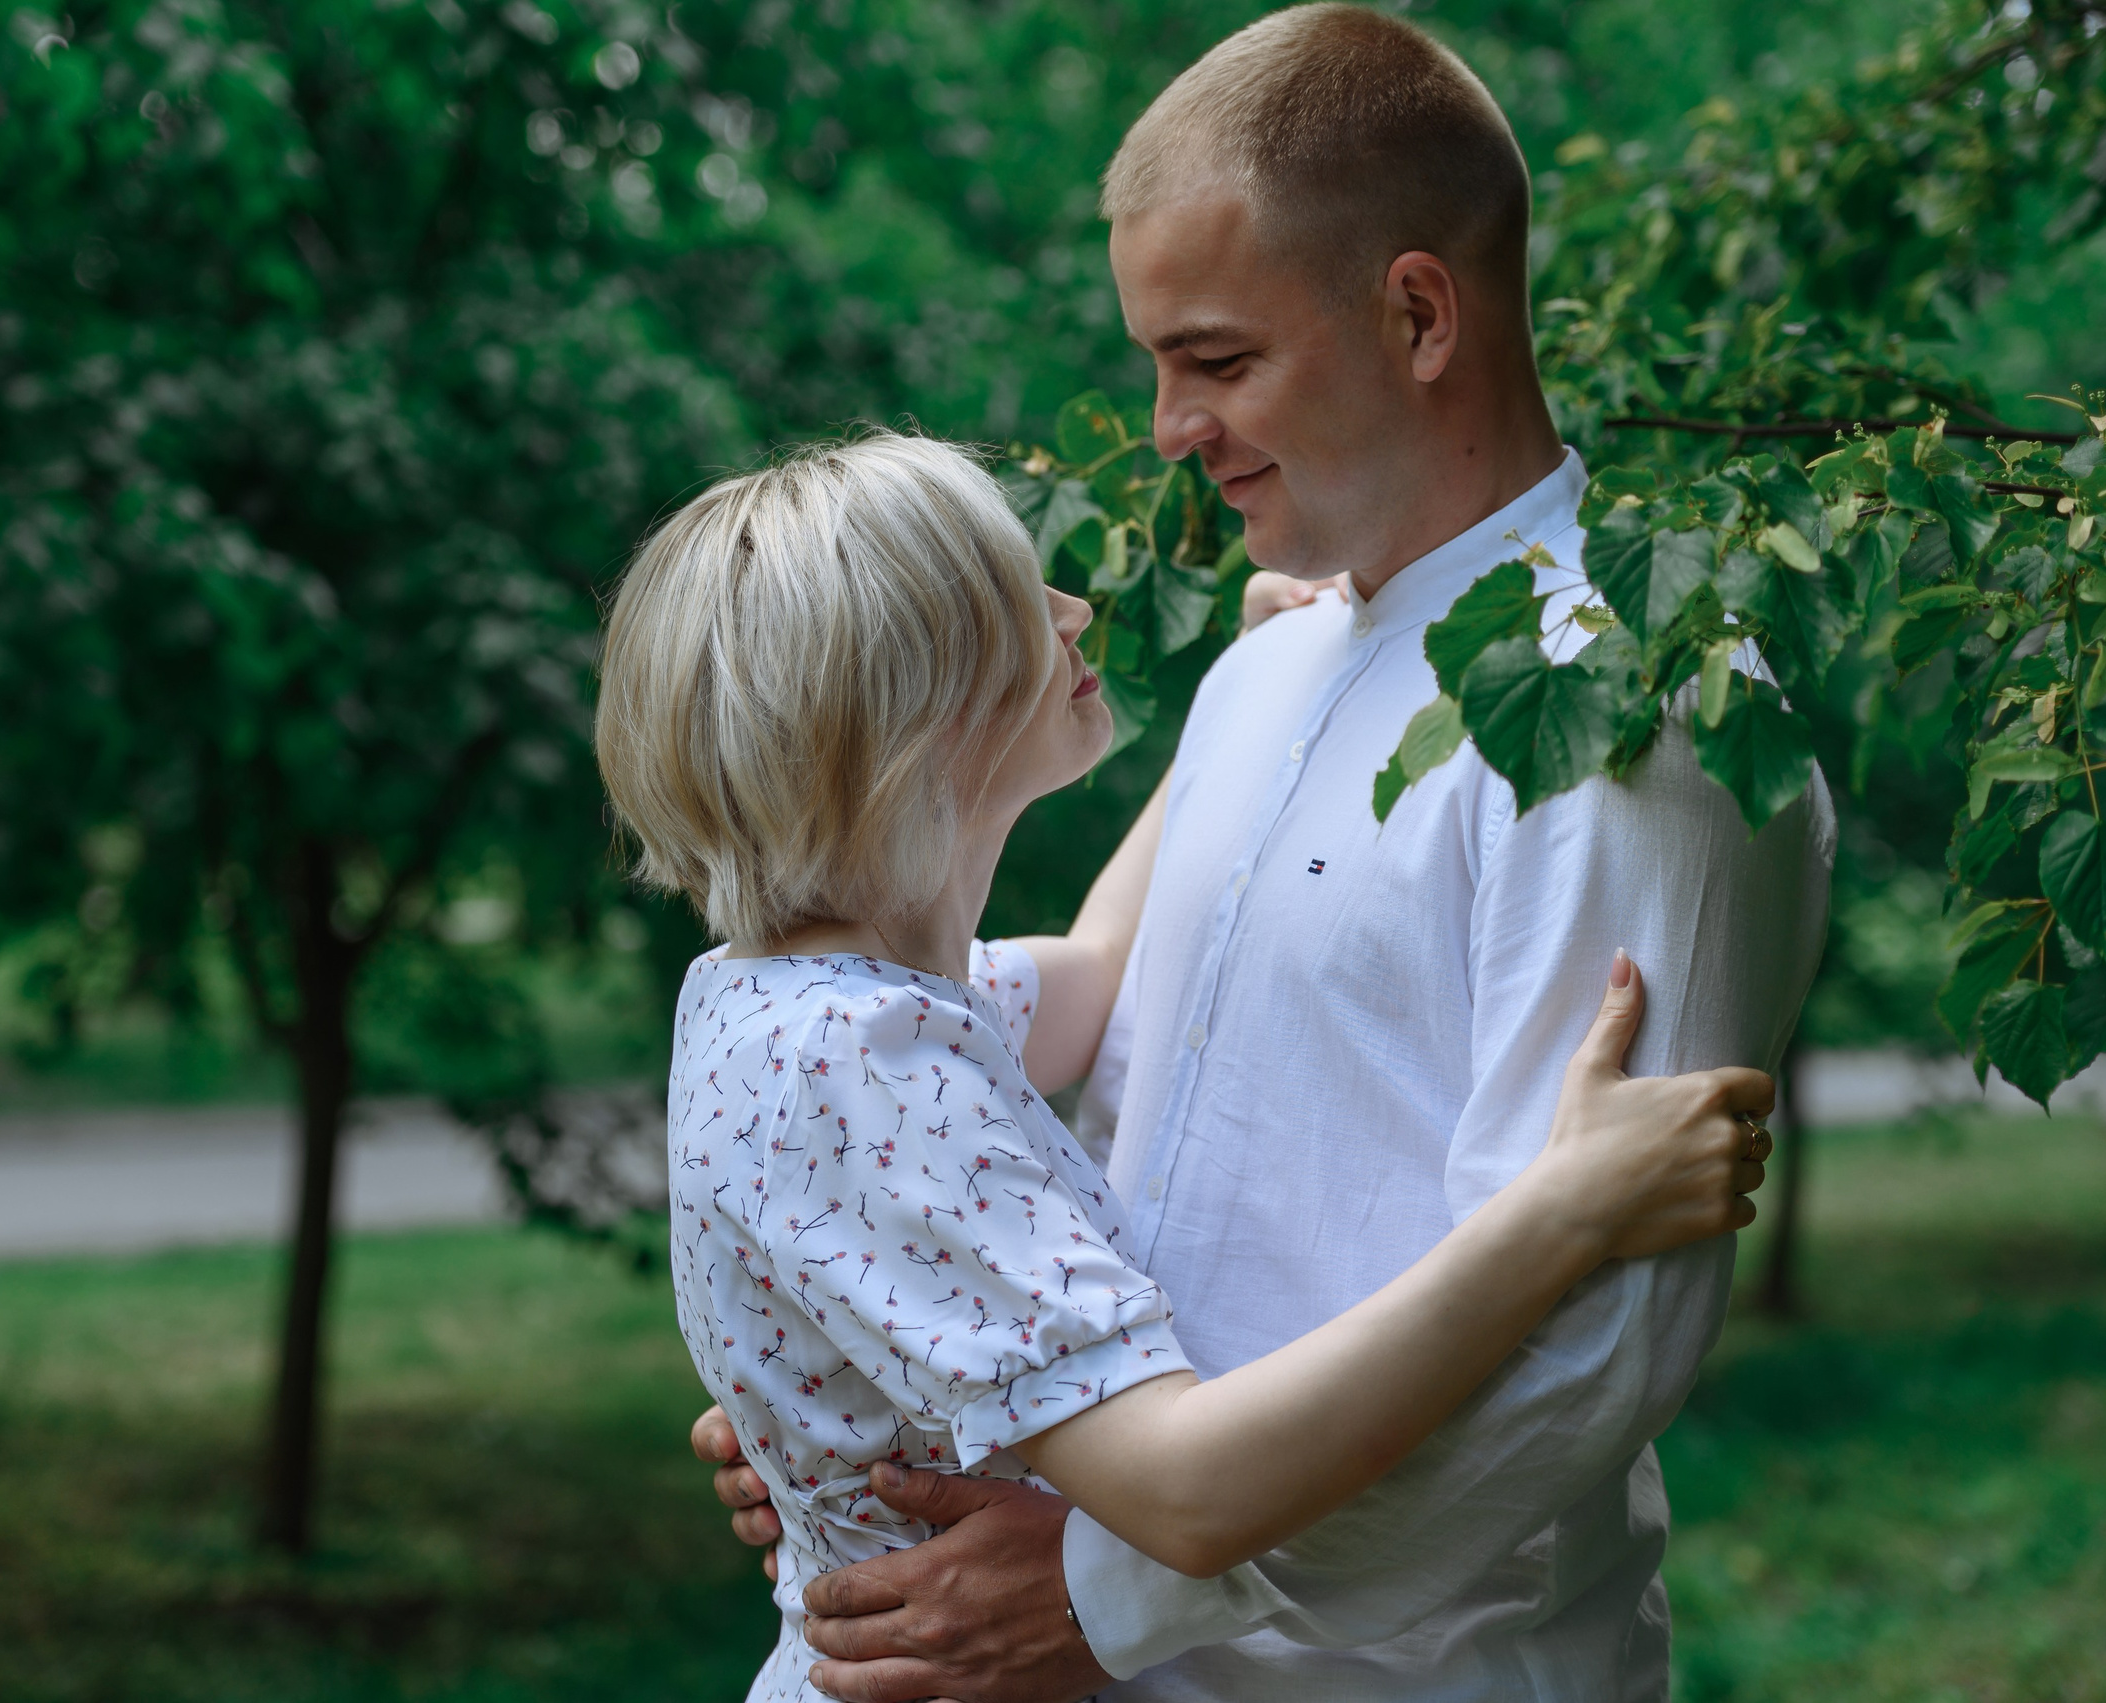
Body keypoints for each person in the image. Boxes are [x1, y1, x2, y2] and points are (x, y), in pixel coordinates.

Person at [693, 8, 1838, 1702]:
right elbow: (1081, 1114)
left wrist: (1109, 1593)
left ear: (1419, 313)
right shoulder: (1260, 670)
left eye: (1217, 362)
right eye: (1157, 362)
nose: (1166, 424)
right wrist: (860, 1390)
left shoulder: (1628, 711)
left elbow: (1589, 1351)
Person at [600, 430, 1775, 1703]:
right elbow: (1190, 1489)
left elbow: (1106, 963)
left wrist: (1263, 699)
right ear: (916, 717)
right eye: (1019, 602)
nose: (1074, 610)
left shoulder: (787, 1002)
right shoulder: (860, 1061)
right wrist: (1565, 1205)